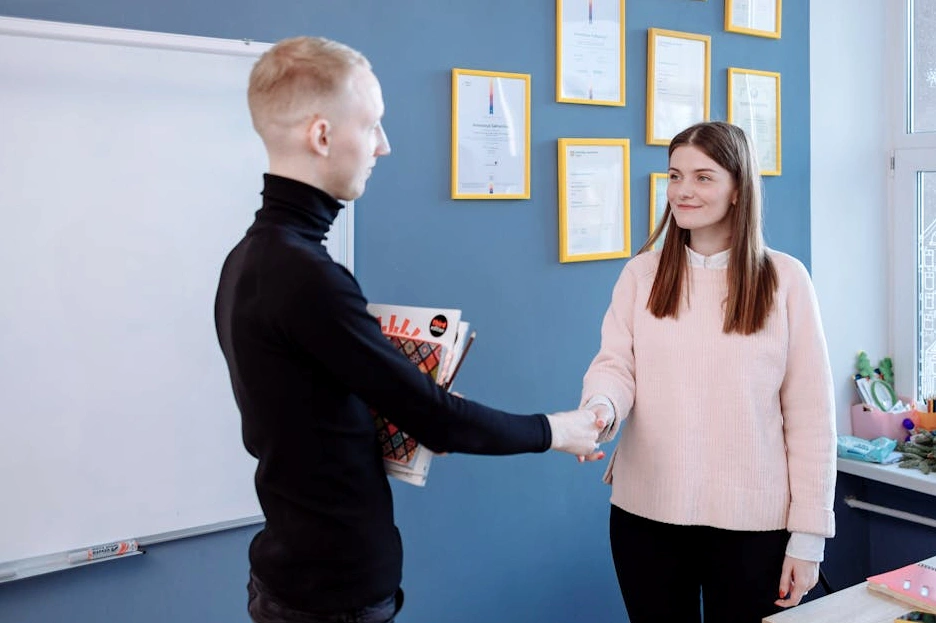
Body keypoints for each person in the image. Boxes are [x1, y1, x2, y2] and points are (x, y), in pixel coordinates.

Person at [214, 36, 604, 623]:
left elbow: (304, 409)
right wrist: (562, 429)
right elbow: (439, 419)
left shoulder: (251, 259)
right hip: (331, 594)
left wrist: (401, 405)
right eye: (372, 125)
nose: (384, 146)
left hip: (291, 573)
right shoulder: (306, 277)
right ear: (322, 136)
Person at [579, 121, 836, 623]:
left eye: (703, 176)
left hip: (754, 526)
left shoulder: (785, 281)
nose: (683, 191)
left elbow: (811, 417)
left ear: (738, 188)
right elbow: (615, 366)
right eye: (675, 176)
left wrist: (809, 537)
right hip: (645, 516)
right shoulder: (642, 274)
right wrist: (600, 409)